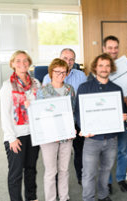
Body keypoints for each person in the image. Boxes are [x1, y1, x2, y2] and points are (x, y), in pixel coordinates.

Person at [75, 53, 127, 201]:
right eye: (101, 65)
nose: (104, 69)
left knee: (106, 170)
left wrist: (122, 117)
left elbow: (121, 113)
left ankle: (103, 195)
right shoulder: (84, 88)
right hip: (92, 139)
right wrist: (83, 127)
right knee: (89, 173)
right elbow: (78, 112)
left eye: (107, 65)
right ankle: (89, 198)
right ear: (95, 68)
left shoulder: (117, 89)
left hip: (111, 139)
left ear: (111, 68)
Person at [42, 48, 87, 185]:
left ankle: (81, 176)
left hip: (76, 119)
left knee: (80, 150)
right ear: (59, 58)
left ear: (75, 61)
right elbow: (44, 104)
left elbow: (84, 99)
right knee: (55, 155)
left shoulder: (81, 76)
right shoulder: (47, 77)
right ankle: (55, 181)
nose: (68, 61)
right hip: (57, 122)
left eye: (71, 59)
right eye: (65, 58)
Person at [0, 50, 40, 201]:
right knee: (16, 173)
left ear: (29, 63)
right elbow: (4, 115)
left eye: (25, 60)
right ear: (12, 64)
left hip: (33, 134)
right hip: (16, 135)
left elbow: (40, 107)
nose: (22, 63)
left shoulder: (36, 83)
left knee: (31, 170)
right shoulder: (7, 86)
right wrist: (11, 138)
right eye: (18, 61)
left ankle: (31, 197)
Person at [35, 58, 75, 201]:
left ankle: (64, 197)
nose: (60, 74)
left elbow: (73, 110)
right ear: (51, 72)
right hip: (48, 137)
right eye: (57, 71)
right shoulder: (42, 91)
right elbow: (38, 115)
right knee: (51, 172)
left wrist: (71, 128)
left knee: (64, 170)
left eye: (64, 72)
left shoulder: (70, 90)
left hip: (66, 136)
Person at [102, 35, 127, 193]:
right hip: (106, 117)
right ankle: (106, 181)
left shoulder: (125, 65)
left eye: (115, 48)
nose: (113, 51)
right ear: (104, 49)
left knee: (123, 149)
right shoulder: (99, 67)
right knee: (106, 152)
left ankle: (120, 177)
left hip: (123, 115)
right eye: (110, 48)